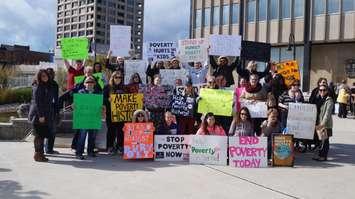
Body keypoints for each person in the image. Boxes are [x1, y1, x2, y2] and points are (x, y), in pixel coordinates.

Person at [28, 70, 58, 162]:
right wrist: (41, 116)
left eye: (46, 76)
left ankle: (40, 154)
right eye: (43, 76)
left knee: (41, 135)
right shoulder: (38, 87)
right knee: (39, 136)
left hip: (45, 114)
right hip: (38, 115)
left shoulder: (46, 86)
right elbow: (38, 103)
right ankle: (38, 154)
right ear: (39, 77)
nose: (45, 77)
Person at [75, 76, 105, 160]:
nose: (89, 84)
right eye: (87, 82)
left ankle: (90, 151)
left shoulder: (98, 93)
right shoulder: (81, 92)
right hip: (84, 119)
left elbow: (100, 104)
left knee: (92, 136)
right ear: (84, 84)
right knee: (82, 136)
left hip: (94, 118)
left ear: (94, 84)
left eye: (91, 82)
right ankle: (79, 153)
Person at [103, 71, 125, 155]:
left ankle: (120, 146)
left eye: (120, 77)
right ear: (113, 78)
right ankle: (110, 147)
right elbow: (102, 99)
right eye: (116, 77)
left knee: (120, 131)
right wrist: (107, 100)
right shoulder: (107, 87)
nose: (118, 79)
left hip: (121, 113)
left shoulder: (123, 88)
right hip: (110, 112)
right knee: (111, 130)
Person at [313, 85, 334, 161]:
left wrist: (322, 124)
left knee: (325, 141)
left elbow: (327, 114)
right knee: (320, 140)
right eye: (320, 90)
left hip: (325, 124)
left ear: (327, 91)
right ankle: (320, 155)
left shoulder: (329, 100)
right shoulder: (319, 99)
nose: (322, 92)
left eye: (324, 90)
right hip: (319, 123)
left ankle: (323, 156)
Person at [44, 68, 60, 154]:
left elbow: (56, 98)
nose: (51, 75)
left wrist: (57, 111)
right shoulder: (43, 84)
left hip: (53, 109)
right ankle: (43, 149)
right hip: (45, 110)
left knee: (52, 130)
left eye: (52, 73)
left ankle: (49, 149)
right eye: (49, 74)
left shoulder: (55, 84)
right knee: (44, 130)